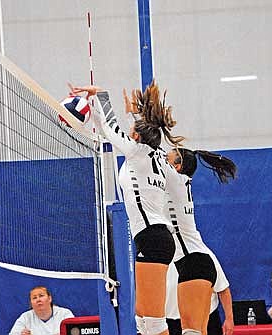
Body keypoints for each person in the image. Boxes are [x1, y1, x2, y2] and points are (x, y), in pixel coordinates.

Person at [70, 80, 184, 335]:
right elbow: (116, 129)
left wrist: (100, 94)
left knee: (154, 323)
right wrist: (120, 112)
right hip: (153, 238)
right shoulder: (154, 155)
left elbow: (111, 127)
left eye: (132, 128)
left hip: (154, 237)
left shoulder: (137, 151)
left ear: (135, 136)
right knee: (141, 317)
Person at [164, 147, 236, 335]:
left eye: (167, 158)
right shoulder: (178, 185)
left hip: (194, 262)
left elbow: (149, 158)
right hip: (191, 263)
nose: (163, 159)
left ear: (177, 167)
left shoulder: (178, 184)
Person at [166, 263, 227, 335]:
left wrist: (229, 318)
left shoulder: (204, 253)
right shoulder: (157, 259)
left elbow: (222, 288)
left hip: (207, 320)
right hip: (169, 322)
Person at [9, 286, 74, 335]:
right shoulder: (25, 317)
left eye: (41, 296)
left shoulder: (65, 313)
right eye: (34, 298)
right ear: (31, 303)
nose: (38, 300)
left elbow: (74, 332)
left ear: (49, 298)